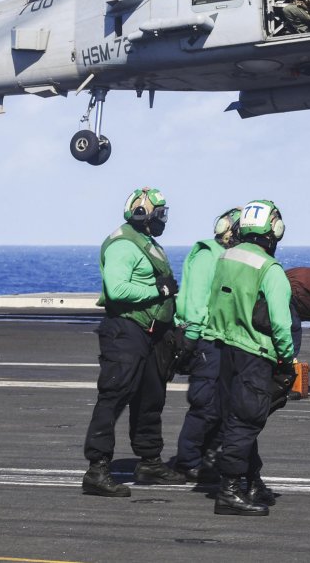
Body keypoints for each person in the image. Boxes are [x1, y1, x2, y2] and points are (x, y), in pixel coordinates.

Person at [82, 187, 186, 496]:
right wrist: (160, 293)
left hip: (152, 333)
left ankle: (150, 461)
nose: (163, 220)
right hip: (126, 331)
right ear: (144, 214)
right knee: (114, 396)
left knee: (150, 397)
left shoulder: (146, 242)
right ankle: (97, 469)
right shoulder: (123, 245)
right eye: (160, 214)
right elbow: (117, 290)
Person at [206, 199, 296, 516]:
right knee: (246, 421)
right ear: (275, 229)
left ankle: (252, 481)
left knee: (238, 418)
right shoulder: (270, 270)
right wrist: (287, 360)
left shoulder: (226, 257)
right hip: (255, 355)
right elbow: (282, 325)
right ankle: (230, 491)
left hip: (224, 350)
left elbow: (213, 302)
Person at [171, 207, 242, 482]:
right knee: (205, 405)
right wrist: (191, 337)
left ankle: (208, 457)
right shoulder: (207, 255)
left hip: (223, 340)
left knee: (225, 405)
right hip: (205, 340)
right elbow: (197, 300)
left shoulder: (229, 257)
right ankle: (187, 461)